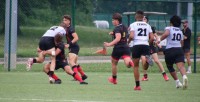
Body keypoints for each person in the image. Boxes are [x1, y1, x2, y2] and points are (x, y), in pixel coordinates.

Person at [103, 13, 134, 88]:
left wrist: (109, 44)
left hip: (118, 48)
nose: (112, 21)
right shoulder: (124, 26)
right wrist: (113, 33)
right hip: (126, 47)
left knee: (114, 63)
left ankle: (114, 79)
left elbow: (118, 38)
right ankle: (130, 62)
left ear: (117, 21)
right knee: (127, 64)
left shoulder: (116, 28)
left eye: (113, 20)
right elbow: (122, 33)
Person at [158, 15, 188, 89]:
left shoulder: (169, 28)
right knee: (181, 66)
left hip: (170, 50)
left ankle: (177, 82)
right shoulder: (180, 31)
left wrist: (159, 40)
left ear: (171, 22)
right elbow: (182, 42)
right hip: (179, 49)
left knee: (170, 66)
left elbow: (166, 34)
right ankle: (184, 76)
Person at [128, 10, 154, 90]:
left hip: (136, 45)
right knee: (145, 67)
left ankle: (137, 85)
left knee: (136, 66)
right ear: (143, 17)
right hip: (145, 45)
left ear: (136, 16)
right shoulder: (147, 25)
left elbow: (131, 36)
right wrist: (148, 44)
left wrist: (128, 42)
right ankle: (146, 60)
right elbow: (152, 38)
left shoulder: (133, 25)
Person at [141, 16, 169, 81]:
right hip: (144, 46)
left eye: (144, 19)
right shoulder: (139, 27)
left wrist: (158, 42)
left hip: (151, 46)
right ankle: (145, 77)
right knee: (143, 61)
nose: (143, 20)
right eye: (142, 19)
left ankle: (165, 75)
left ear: (147, 21)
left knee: (156, 60)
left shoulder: (150, 27)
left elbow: (156, 36)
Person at [62, 15, 87, 81]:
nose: (64, 21)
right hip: (74, 47)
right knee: (74, 63)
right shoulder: (66, 28)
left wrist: (69, 44)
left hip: (74, 47)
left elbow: (76, 38)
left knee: (71, 62)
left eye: (66, 20)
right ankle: (83, 75)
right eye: (63, 20)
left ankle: (76, 77)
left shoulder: (71, 29)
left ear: (69, 21)